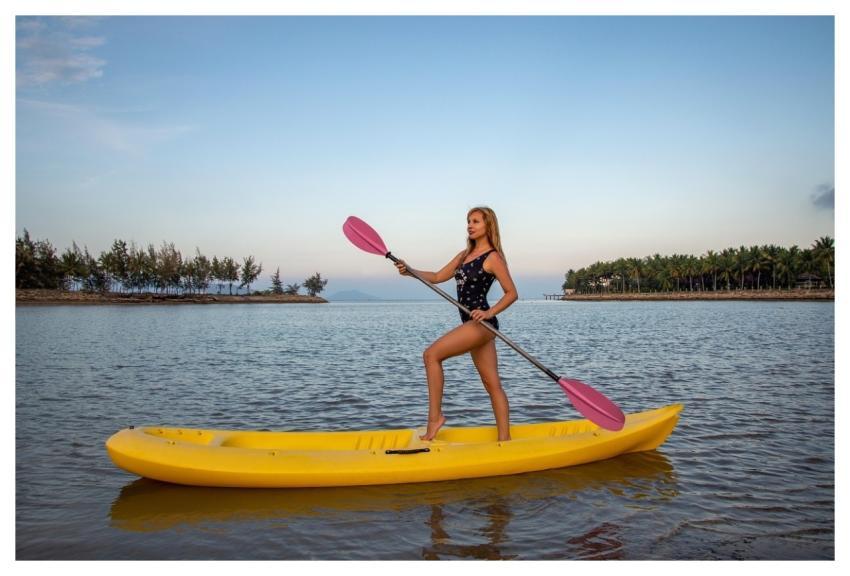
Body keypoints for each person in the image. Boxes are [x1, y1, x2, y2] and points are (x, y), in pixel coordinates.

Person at [395, 206, 518, 442]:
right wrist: (410, 271)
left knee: (431, 355)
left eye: (476, 221)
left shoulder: (493, 257)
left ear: (488, 226)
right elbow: (437, 276)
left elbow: (511, 293)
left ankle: (435, 419)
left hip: (481, 324)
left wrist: (489, 312)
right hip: (472, 323)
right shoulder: (464, 255)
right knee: (492, 384)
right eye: (468, 221)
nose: (470, 225)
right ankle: (505, 440)